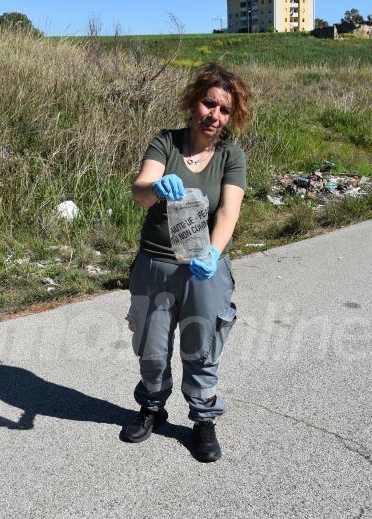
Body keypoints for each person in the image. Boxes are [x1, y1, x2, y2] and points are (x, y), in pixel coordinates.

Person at [121, 63, 252, 462]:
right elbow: (140, 192)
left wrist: (212, 252)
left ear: (232, 117)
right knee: (152, 347)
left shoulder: (231, 156)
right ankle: (151, 407)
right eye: (208, 103)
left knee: (202, 345)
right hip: (156, 264)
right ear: (193, 102)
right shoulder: (167, 142)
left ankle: (202, 419)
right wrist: (155, 188)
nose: (214, 115)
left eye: (224, 110)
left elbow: (229, 212)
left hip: (203, 269)